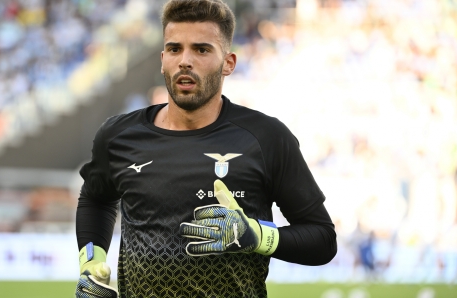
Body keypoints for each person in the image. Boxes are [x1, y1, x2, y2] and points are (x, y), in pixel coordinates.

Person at [75, 0, 337, 297]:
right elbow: (95, 199)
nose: (185, 60)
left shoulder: (266, 137)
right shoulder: (119, 135)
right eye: (175, 49)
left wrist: (256, 235)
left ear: (229, 63)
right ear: (162, 59)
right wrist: (90, 263)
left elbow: (322, 239)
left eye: (201, 49)